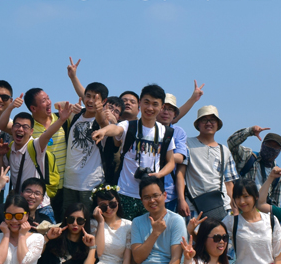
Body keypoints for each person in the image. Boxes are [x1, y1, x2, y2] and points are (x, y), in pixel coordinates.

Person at [91, 84, 177, 220]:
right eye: (146, 102)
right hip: (125, 192)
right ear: (140, 103)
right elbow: (116, 129)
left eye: (155, 104)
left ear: (161, 107)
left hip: (151, 195)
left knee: (149, 231)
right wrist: (103, 131)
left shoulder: (165, 132)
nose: (150, 108)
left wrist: (158, 175)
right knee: (124, 230)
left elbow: (171, 162)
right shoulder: (129, 126)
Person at [0, 100, 73, 221]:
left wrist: (61, 120)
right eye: (17, 125)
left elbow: (47, 135)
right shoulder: (10, 148)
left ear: (31, 131)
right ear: (12, 128)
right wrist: (0, 156)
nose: (20, 129)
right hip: (20, 207)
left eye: (25, 127)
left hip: (40, 207)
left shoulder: (35, 146)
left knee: (46, 233)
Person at [63, 58, 111, 218]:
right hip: (69, 181)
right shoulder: (76, 114)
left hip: (91, 184)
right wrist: (73, 77)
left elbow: (103, 122)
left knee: (90, 222)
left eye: (95, 98)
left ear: (104, 101)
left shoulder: (103, 120)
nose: (90, 100)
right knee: (67, 221)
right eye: (88, 96)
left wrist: (99, 111)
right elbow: (64, 103)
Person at [179, 106, 238, 222]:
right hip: (193, 206)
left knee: (220, 234)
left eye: (212, 120)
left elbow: (229, 183)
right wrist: (181, 199)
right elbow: (180, 174)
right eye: (204, 120)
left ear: (217, 124)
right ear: (198, 124)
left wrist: (235, 208)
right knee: (193, 234)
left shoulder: (224, 150)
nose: (209, 123)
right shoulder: (187, 144)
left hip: (222, 207)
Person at [25, 87, 67, 214]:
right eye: (44, 101)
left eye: (48, 98)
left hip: (66, 185)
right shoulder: (28, 127)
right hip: (42, 188)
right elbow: (3, 125)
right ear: (33, 108)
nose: (49, 102)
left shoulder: (62, 118)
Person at [227, 125, 281, 207]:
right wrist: (250, 131)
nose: (271, 148)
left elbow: (276, 202)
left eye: (275, 147)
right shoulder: (248, 157)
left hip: (261, 212)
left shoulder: (277, 173)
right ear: (262, 144)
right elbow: (231, 143)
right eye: (269, 144)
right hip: (241, 207)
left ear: (279, 151)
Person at [156, 93, 189, 214]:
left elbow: (180, 157)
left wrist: (153, 154)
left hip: (169, 194)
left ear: (175, 114)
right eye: (163, 108)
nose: (166, 112)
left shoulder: (178, 132)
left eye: (170, 109)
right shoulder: (145, 129)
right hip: (145, 190)